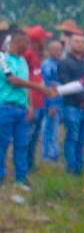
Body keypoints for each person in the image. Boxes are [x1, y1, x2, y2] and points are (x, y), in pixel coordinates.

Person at [0, 30, 46, 191]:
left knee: (22, 144)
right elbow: (12, 80)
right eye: (24, 42)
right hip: (4, 107)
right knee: (2, 143)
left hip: (21, 108)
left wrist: (30, 105)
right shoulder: (2, 58)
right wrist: (38, 87)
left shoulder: (23, 62)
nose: (27, 46)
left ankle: (21, 178)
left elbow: (25, 87)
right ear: (16, 41)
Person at [56, 31, 84, 174]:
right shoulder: (64, 63)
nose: (80, 44)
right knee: (72, 136)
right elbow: (66, 84)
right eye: (77, 41)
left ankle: (80, 166)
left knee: (82, 139)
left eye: (83, 41)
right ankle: (71, 167)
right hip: (71, 105)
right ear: (70, 44)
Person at [22, 26, 48, 172]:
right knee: (29, 135)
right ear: (38, 40)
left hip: (39, 100)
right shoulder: (28, 55)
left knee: (34, 135)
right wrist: (28, 103)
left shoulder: (36, 55)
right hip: (32, 101)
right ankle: (25, 165)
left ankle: (30, 164)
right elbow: (25, 79)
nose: (45, 41)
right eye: (44, 38)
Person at [39, 38, 62, 162]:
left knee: (55, 129)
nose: (58, 52)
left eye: (60, 49)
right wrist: (52, 104)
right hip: (50, 102)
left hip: (59, 102)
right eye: (55, 49)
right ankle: (48, 155)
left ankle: (53, 153)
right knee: (49, 129)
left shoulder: (60, 63)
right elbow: (48, 86)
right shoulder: (47, 65)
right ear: (49, 50)